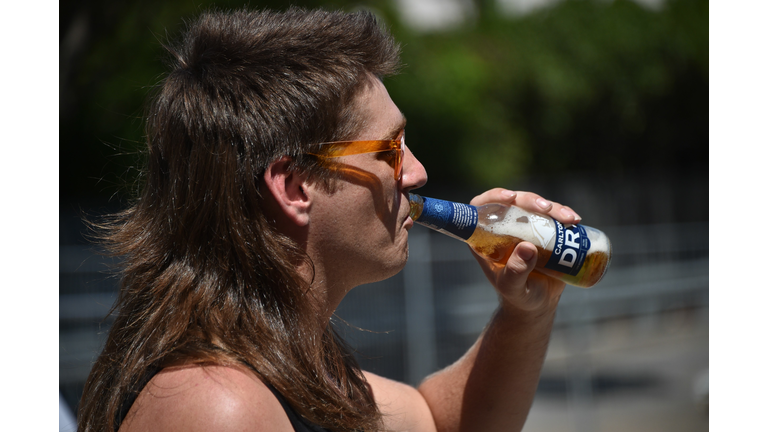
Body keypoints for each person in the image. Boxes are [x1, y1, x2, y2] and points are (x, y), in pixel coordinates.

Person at [78, 7, 582, 432]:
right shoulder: (218, 407)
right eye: (391, 150)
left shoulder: (287, 355)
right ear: (296, 187)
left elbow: (440, 422)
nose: (418, 173)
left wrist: (525, 314)